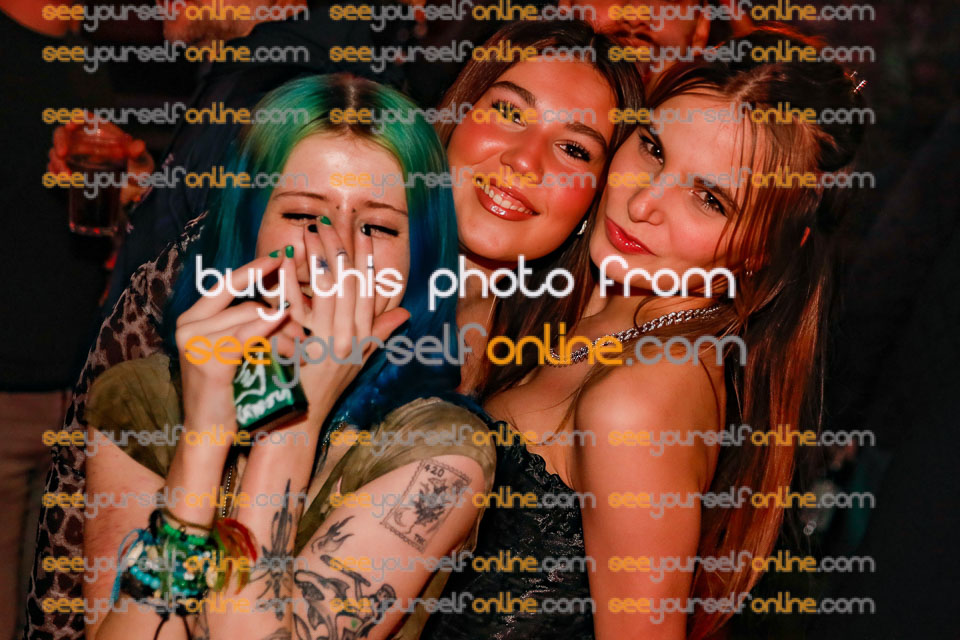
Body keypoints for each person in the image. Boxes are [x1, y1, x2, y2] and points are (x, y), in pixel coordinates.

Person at [423, 27, 867, 639]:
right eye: (653, 149)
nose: (642, 204)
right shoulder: (594, 298)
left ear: (766, 249)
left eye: (709, 199)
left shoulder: (639, 404)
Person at [82, 74, 496, 640]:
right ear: (250, 225)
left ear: (417, 259)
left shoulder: (439, 449)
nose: (337, 256)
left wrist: (291, 424)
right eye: (304, 217)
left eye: (376, 226)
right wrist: (203, 442)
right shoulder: (141, 399)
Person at [434, 20, 645, 392]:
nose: (525, 161)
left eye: (573, 150)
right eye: (510, 112)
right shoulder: (342, 271)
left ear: (596, 198)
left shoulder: (549, 362)